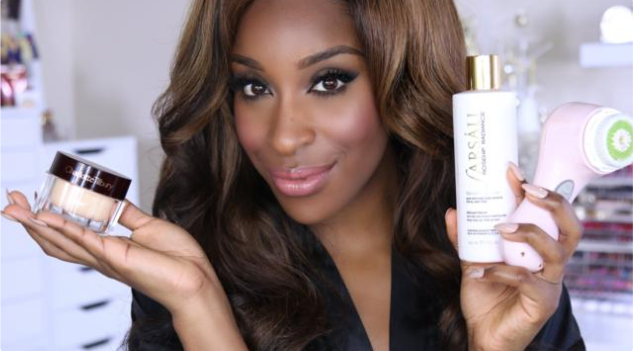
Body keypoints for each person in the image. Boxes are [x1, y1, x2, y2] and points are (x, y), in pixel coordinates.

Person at [1, 0, 587, 350]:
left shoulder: (497, 257)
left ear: (399, 80)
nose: (282, 136)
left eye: (329, 81)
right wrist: (199, 306)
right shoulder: (193, 261)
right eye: (252, 87)